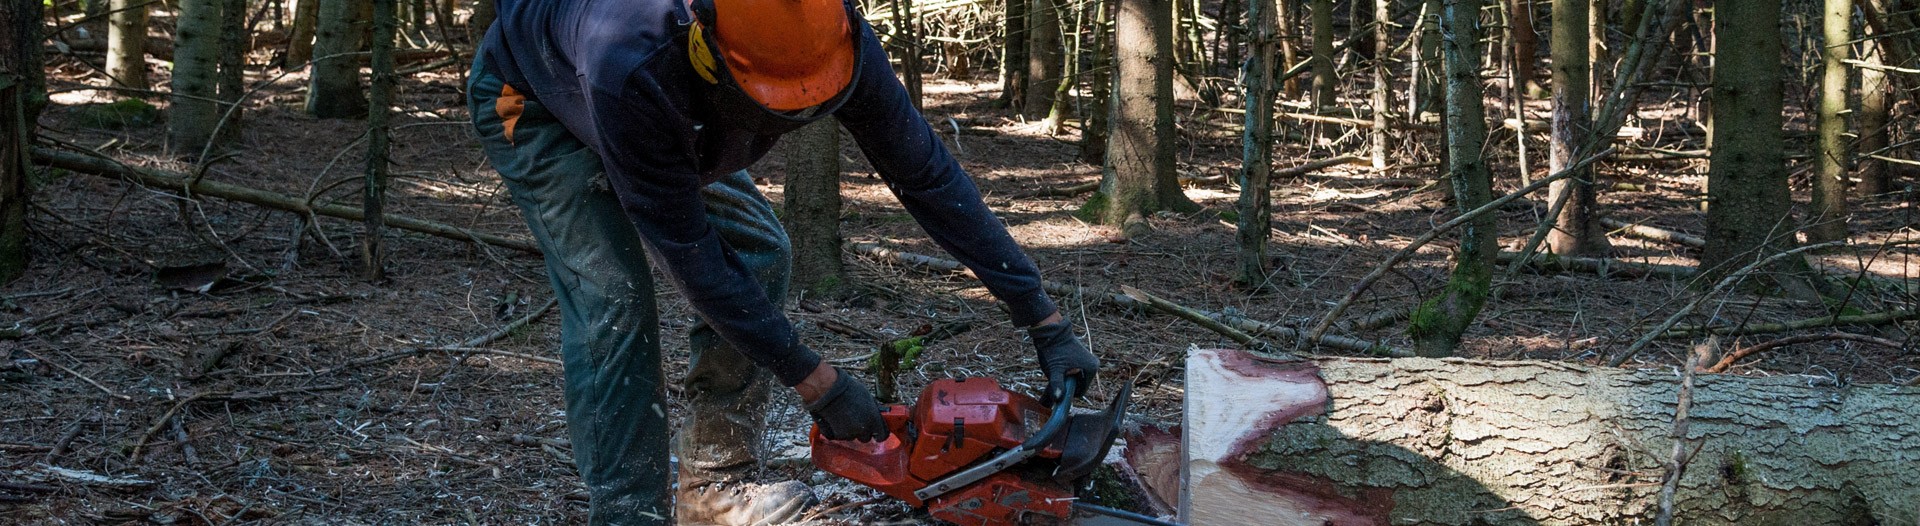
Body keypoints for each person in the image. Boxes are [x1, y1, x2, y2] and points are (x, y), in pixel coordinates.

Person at [467, 0, 1099, 523]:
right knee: (614, 302)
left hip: (675, 120)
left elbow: (926, 175)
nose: (796, 117)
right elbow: (690, 258)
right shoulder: (632, 63)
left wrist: (1041, 317)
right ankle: (628, 513)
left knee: (762, 250)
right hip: (536, 102)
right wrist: (816, 381)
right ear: (707, 52)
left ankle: (712, 487)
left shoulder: (830, 33)